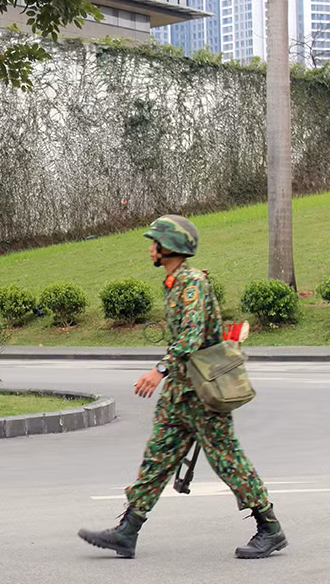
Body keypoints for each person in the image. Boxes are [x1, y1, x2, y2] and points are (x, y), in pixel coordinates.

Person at [77, 215, 287, 559]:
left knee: (226, 459)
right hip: (180, 394)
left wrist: (158, 371)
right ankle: (127, 531)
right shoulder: (176, 282)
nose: (150, 248)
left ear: (170, 246)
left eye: (154, 242)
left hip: (204, 394)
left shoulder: (192, 285)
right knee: (157, 458)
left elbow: (190, 338)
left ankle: (270, 528)